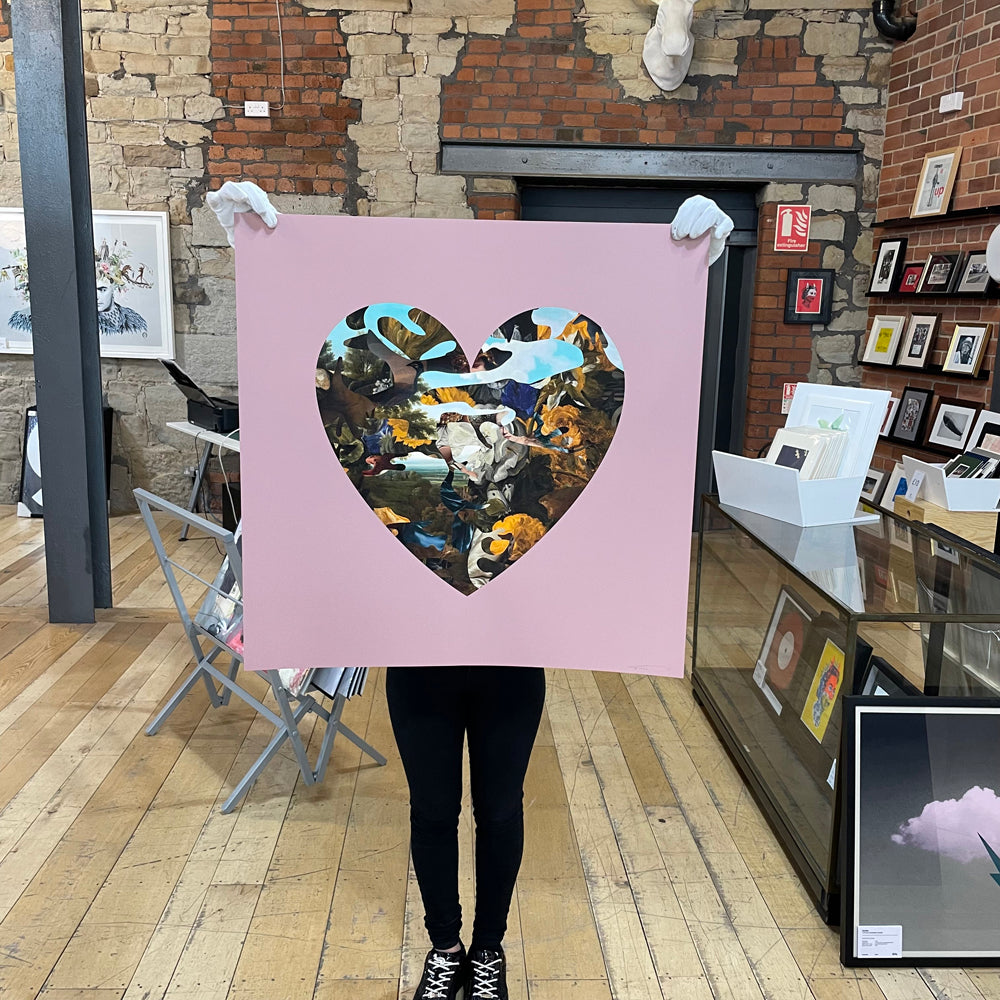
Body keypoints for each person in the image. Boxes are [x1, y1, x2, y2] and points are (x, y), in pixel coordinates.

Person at [208, 180, 734, 1000]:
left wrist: (686, 270)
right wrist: (259, 253)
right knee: (429, 807)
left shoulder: (529, 436)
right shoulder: (410, 427)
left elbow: (625, 431)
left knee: (500, 805)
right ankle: (445, 947)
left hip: (513, 642)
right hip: (417, 642)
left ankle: (488, 952)